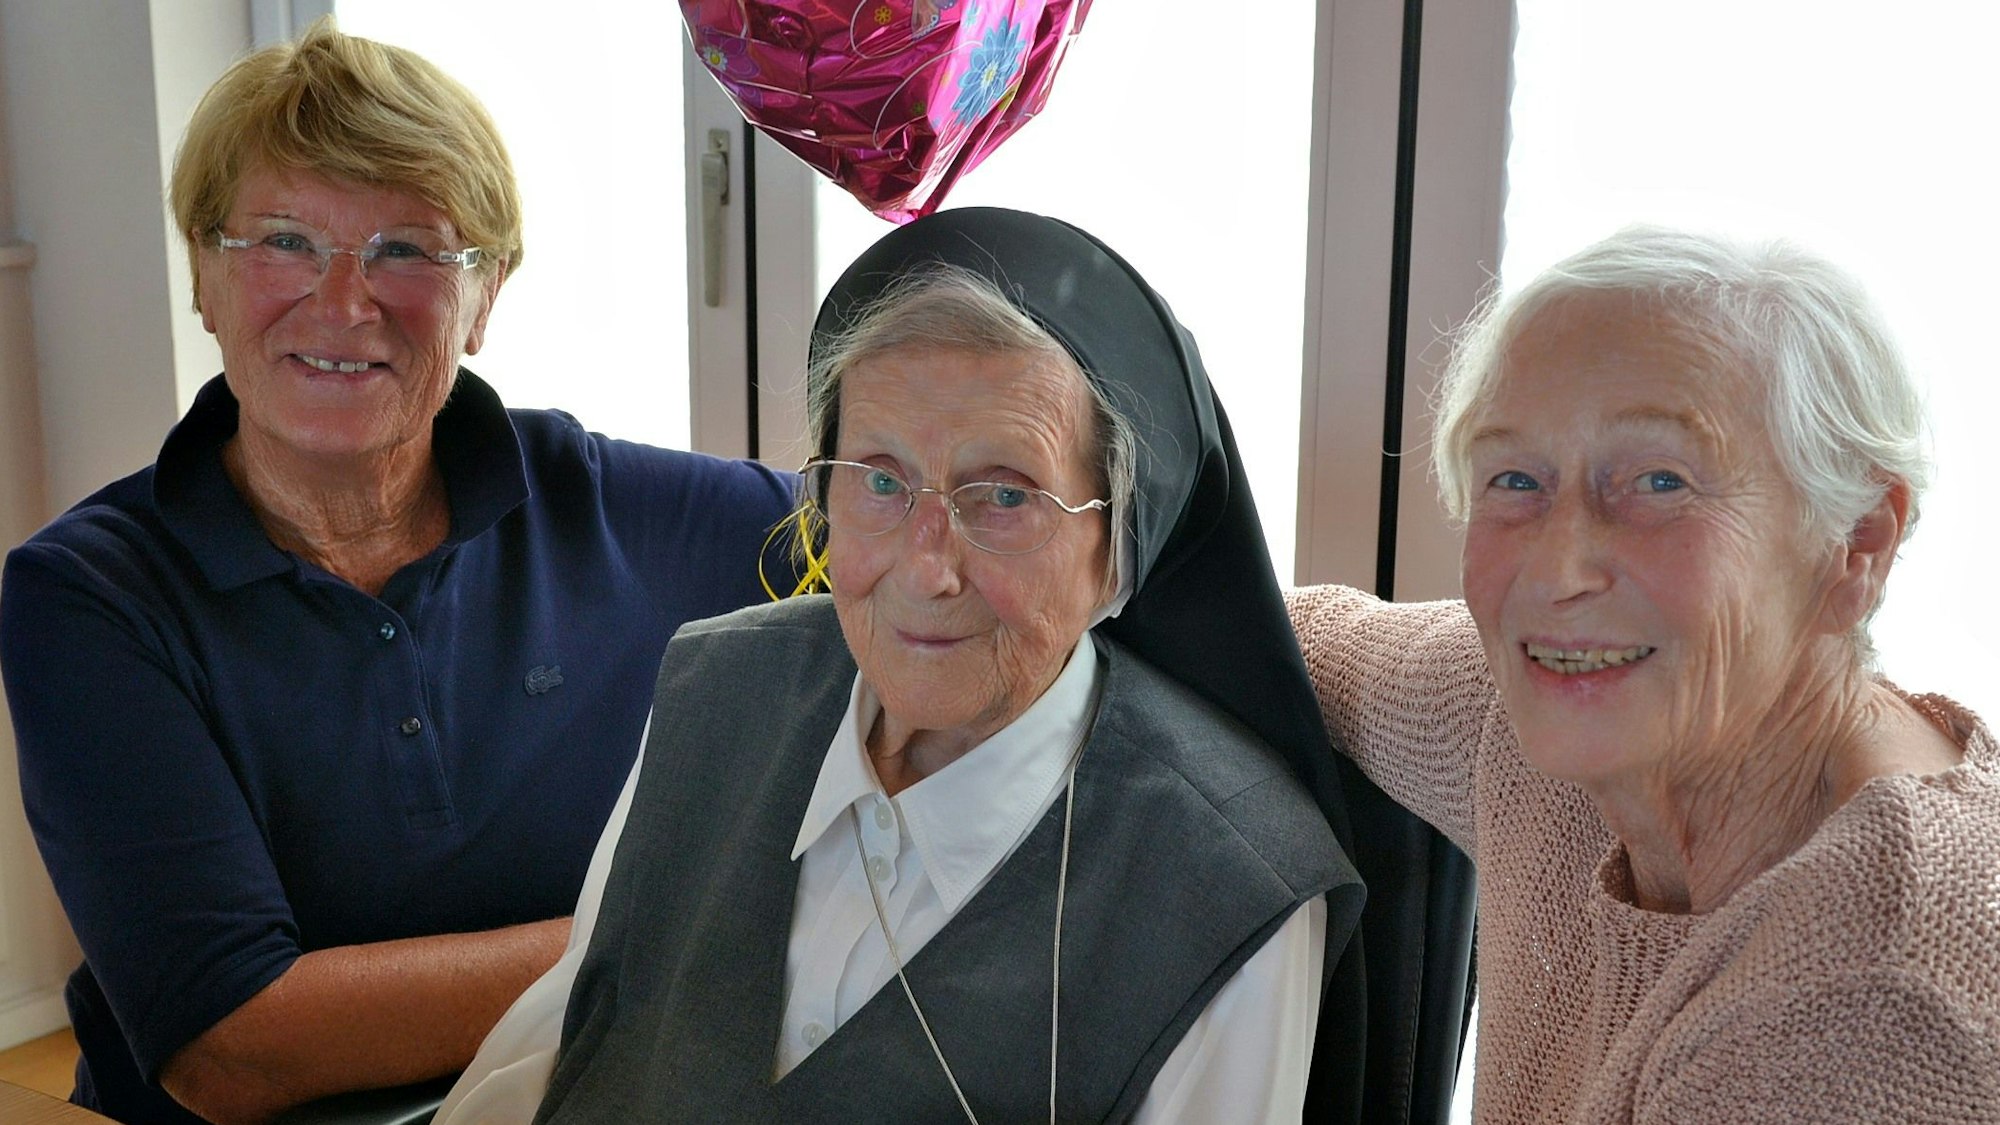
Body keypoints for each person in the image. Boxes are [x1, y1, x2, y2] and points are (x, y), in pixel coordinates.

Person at [0, 20, 795, 1125]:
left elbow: (904, 537)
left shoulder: (614, 505)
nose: (341, 303)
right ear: (203, 274)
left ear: (488, 293)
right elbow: (233, 1048)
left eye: (408, 251)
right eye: (281, 241)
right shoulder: (85, 595)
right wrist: (674, 929)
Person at [434, 207, 1366, 1124]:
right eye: (880, 479)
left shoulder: (1228, 893)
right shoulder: (714, 688)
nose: (928, 566)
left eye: (1004, 495)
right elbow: (563, 1046)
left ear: (1117, 549)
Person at [1288, 227, 2000, 1122]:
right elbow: (1309, 642)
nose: (1558, 570)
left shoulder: (1874, 1001)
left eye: (1660, 482)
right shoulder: (1559, 712)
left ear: (1857, 540)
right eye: (1516, 479)